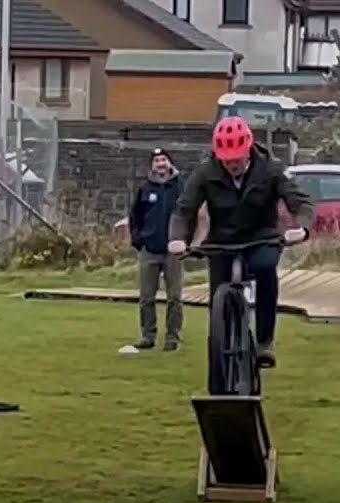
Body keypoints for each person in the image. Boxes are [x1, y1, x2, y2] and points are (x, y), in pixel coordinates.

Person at [168, 116, 314, 376]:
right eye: (227, 159)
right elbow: (184, 209)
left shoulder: (270, 169)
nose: (232, 164)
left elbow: (300, 202)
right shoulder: (206, 172)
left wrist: (301, 228)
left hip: (262, 237)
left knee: (264, 268)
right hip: (222, 241)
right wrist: (178, 238)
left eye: (237, 158)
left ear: (248, 150)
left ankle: (264, 341)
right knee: (218, 296)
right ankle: (219, 358)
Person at [129, 148, 184, 351]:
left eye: (163, 159)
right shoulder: (145, 188)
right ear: (152, 165)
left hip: (173, 249)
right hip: (149, 249)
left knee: (175, 297)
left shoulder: (180, 187)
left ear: (169, 163)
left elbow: (190, 213)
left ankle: (173, 337)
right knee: (146, 297)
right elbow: (135, 216)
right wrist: (138, 240)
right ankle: (148, 335)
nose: (160, 163)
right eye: (157, 160)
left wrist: (185, 239)